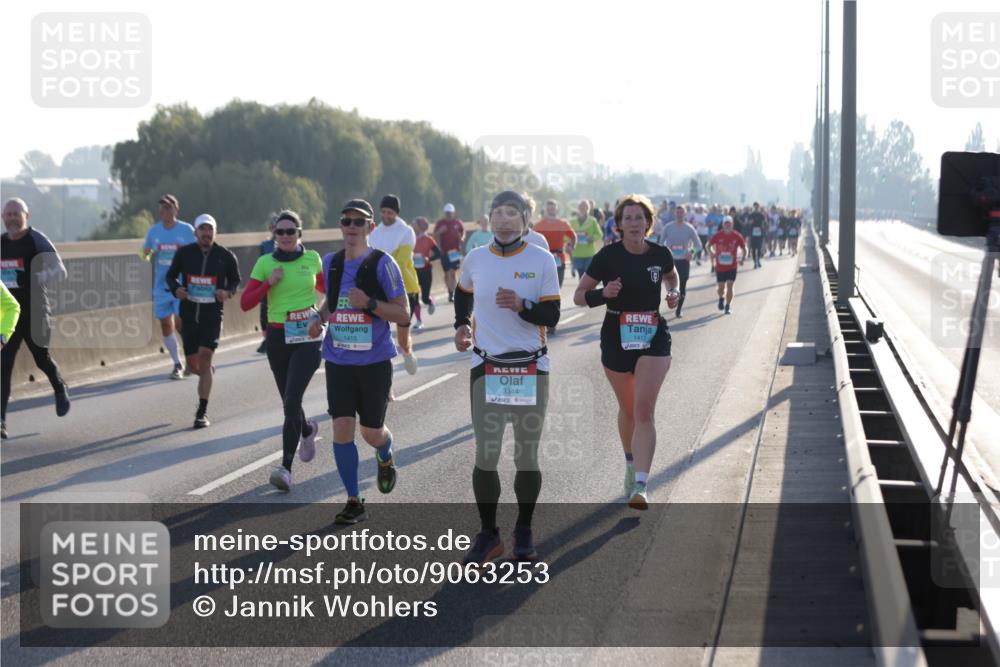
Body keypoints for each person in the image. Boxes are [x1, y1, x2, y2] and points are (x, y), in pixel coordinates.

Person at [454, 190, 561, 564]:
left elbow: (552, 316)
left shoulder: (541, 259)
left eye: (511, 212)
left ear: (525, 219)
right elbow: (462, 292)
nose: (502, 219)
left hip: (530, 367)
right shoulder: (476, 258)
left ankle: (525, 529)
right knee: (486, 454)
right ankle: (488, 534)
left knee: (526, 455)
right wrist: (460, 326)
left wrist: (522, 305)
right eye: (497, 212)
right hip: (486, 366)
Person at [573, 194, 679, 510]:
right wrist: (602, 294)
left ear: (649, 223)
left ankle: (642, 485)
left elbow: (671, 275)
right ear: (618, 225)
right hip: (616, 334)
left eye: (640, 217)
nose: (634, 223)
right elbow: (579, 296)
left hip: (653, 334)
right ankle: (631, 462)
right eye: (628, 218)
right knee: (629, 410)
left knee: (644, 410)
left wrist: (673, 291)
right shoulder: (607, 257)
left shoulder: (661, 253)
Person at [309, 199, 410, 525]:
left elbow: (403, 313)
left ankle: (385, 452)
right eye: (346, 221)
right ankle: (354, 499)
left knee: (371, 431)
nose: (352, 227)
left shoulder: (383, 264)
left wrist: (368, 303)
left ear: (370, 227)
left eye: (358, 222)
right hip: (337, 359)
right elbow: (333, 300)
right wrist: (319, 317)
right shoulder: (331, 262)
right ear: (341, 226)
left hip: (374, 361)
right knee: (341, 427)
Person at [240, 210, 324, 491]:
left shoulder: (312, 260)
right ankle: (307, 429)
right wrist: (268, 284)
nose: (285, 236)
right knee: (290, 400)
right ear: (274, 235)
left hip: (308, 338)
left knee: (290, 400)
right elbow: (245, 303)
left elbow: (332, 291)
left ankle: (285, 469)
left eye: (291, 231)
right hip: (278, 337)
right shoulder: (265, 263)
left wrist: (328, 318)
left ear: (300, 234)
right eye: (280, 232)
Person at [1, 197, 70, 439]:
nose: (11, 218)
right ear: (2, 218)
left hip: (36, 311)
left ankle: (59, 386)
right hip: (8, 315)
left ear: (26, 216)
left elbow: (60, 270)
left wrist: (44, 275)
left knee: (42, 359)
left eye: (15, 214)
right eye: (7, 214)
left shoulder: (36, 240)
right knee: (4, 364)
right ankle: (1, 421)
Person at [166, 214, 241, 428]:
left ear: (215, 232)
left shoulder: (225, 256)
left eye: (210, 230)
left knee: (206, 357)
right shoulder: (184, 254)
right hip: (189, 315)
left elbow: (236, 280)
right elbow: (170, 276)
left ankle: (202, 411)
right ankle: (205, 372)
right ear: (196, 232)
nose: (206, 233)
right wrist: (176, 289)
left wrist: (227, 292)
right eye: (202, 230)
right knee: (193, 364)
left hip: (212, 315)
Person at [142, 194, 195, 379]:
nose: (165, 211)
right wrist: (146, 254)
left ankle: (190, 358)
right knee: (166, 325)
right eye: (162, 208)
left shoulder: (187, 230)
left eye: (169, 207)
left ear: (176, 210)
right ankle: (177, 363)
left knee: (181, 323)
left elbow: (198, 252)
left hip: (181, 286)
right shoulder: (154, 231)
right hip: (161, 286)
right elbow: (145, 252)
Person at [370, 195, 419, 373]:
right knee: (380, 337)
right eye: (383, 212)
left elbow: (400, 261)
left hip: (405, 290)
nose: (386, 216)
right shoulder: (374, 233)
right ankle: (386, 384)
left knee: (402, 339)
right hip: (379, 291)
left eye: (390, 212)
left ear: (396, 213)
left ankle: (407, 353)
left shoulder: (406, 231)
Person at [658, 205, 702, 318]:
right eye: (677, 212)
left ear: (685, 214)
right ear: (674, 214)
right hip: (670, 261)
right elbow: (660, 244)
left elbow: (698, 245)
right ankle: (666, 303)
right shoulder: (668, 227)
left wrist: (691, 252)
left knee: (682, 286)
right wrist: (662, 256)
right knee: (669, 286)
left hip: (683, 261)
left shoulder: (689, 228)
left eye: (681, 212)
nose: (679, 214)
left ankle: (679, 309)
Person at [706, 216, 747, 315]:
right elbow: (708, 245)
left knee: (730, 285)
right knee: (721, 288)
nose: (727, 225)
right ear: (723, 225)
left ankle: (728, 306)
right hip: (720, 267)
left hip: (732, 266)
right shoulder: (718, 235)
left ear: (732, 225)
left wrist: (743, 258)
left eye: (729, 223)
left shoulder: (737, 236)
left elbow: (744, 248)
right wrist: (711, 253)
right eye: (726, 223)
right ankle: (721, 298)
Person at [533, 200, 577, 288]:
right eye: (548, 209)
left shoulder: (563, 224)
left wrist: (572, 246)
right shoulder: (538, 226)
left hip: (559, 257)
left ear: (556, 210)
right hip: (543, 257)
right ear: (545, 210)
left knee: (558, 285)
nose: (550, 211)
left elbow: (573, 236)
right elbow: (531, 240)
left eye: (552, 209)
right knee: (544, 285)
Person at [412, 216, 440, 327]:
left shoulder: (429, 239)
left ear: (420, 226)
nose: (413, 226)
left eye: (415, 224)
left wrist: (429, 259)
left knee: (424, 298)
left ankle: (430, 301)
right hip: (413, 270)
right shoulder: (411, 238)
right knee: (414, 296)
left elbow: (438, 253)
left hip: (426, 270)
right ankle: (419, 321)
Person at [434, 203, 464, 302]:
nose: (449, 215)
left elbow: (463, 234)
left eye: (450, 213)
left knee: (452, 272)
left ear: (453, 213)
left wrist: (462, 239)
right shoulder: (440, 223)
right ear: (444, 213)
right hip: (444, 252)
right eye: (447, 213)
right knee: (447, 273)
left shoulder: (458, 223)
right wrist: (440, 232)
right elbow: (435, 235)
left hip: (455, 252)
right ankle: (450, 292)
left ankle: (454, 293)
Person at [256, 217, 277, 354]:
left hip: (283, 282)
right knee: (264, 312)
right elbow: (260, 263)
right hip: (267, 282)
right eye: (273, 228)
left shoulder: (290, 242)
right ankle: (266, 338)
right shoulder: (265, 245)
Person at [570, 200, 603, 279]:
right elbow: (566, 236)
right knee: (581, 276)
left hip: (589, 253)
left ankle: (588, 290)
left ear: (588, 208)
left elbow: (599, 234)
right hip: (577, 253)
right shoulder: (572, 221)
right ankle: (584, 291)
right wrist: (572, 239)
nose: (582, 208)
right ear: (578, 208)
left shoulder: (592, 221)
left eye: (585, 207)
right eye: (581, 207)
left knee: (588, 276)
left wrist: (592, 238)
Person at [747, 202, 766, 268]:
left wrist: (763, 227)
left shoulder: (761, 215)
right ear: (753, 207)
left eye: (757, 207)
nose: (756, 208)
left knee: (759, 248)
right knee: (753, 249)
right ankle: (755, 262)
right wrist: (750, 222)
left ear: (759, 207)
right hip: (752, 234)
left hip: (759, 234)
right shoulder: (751, 215)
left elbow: (764, 224)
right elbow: (748, 223)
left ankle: (758, 260)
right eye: (755, 207)